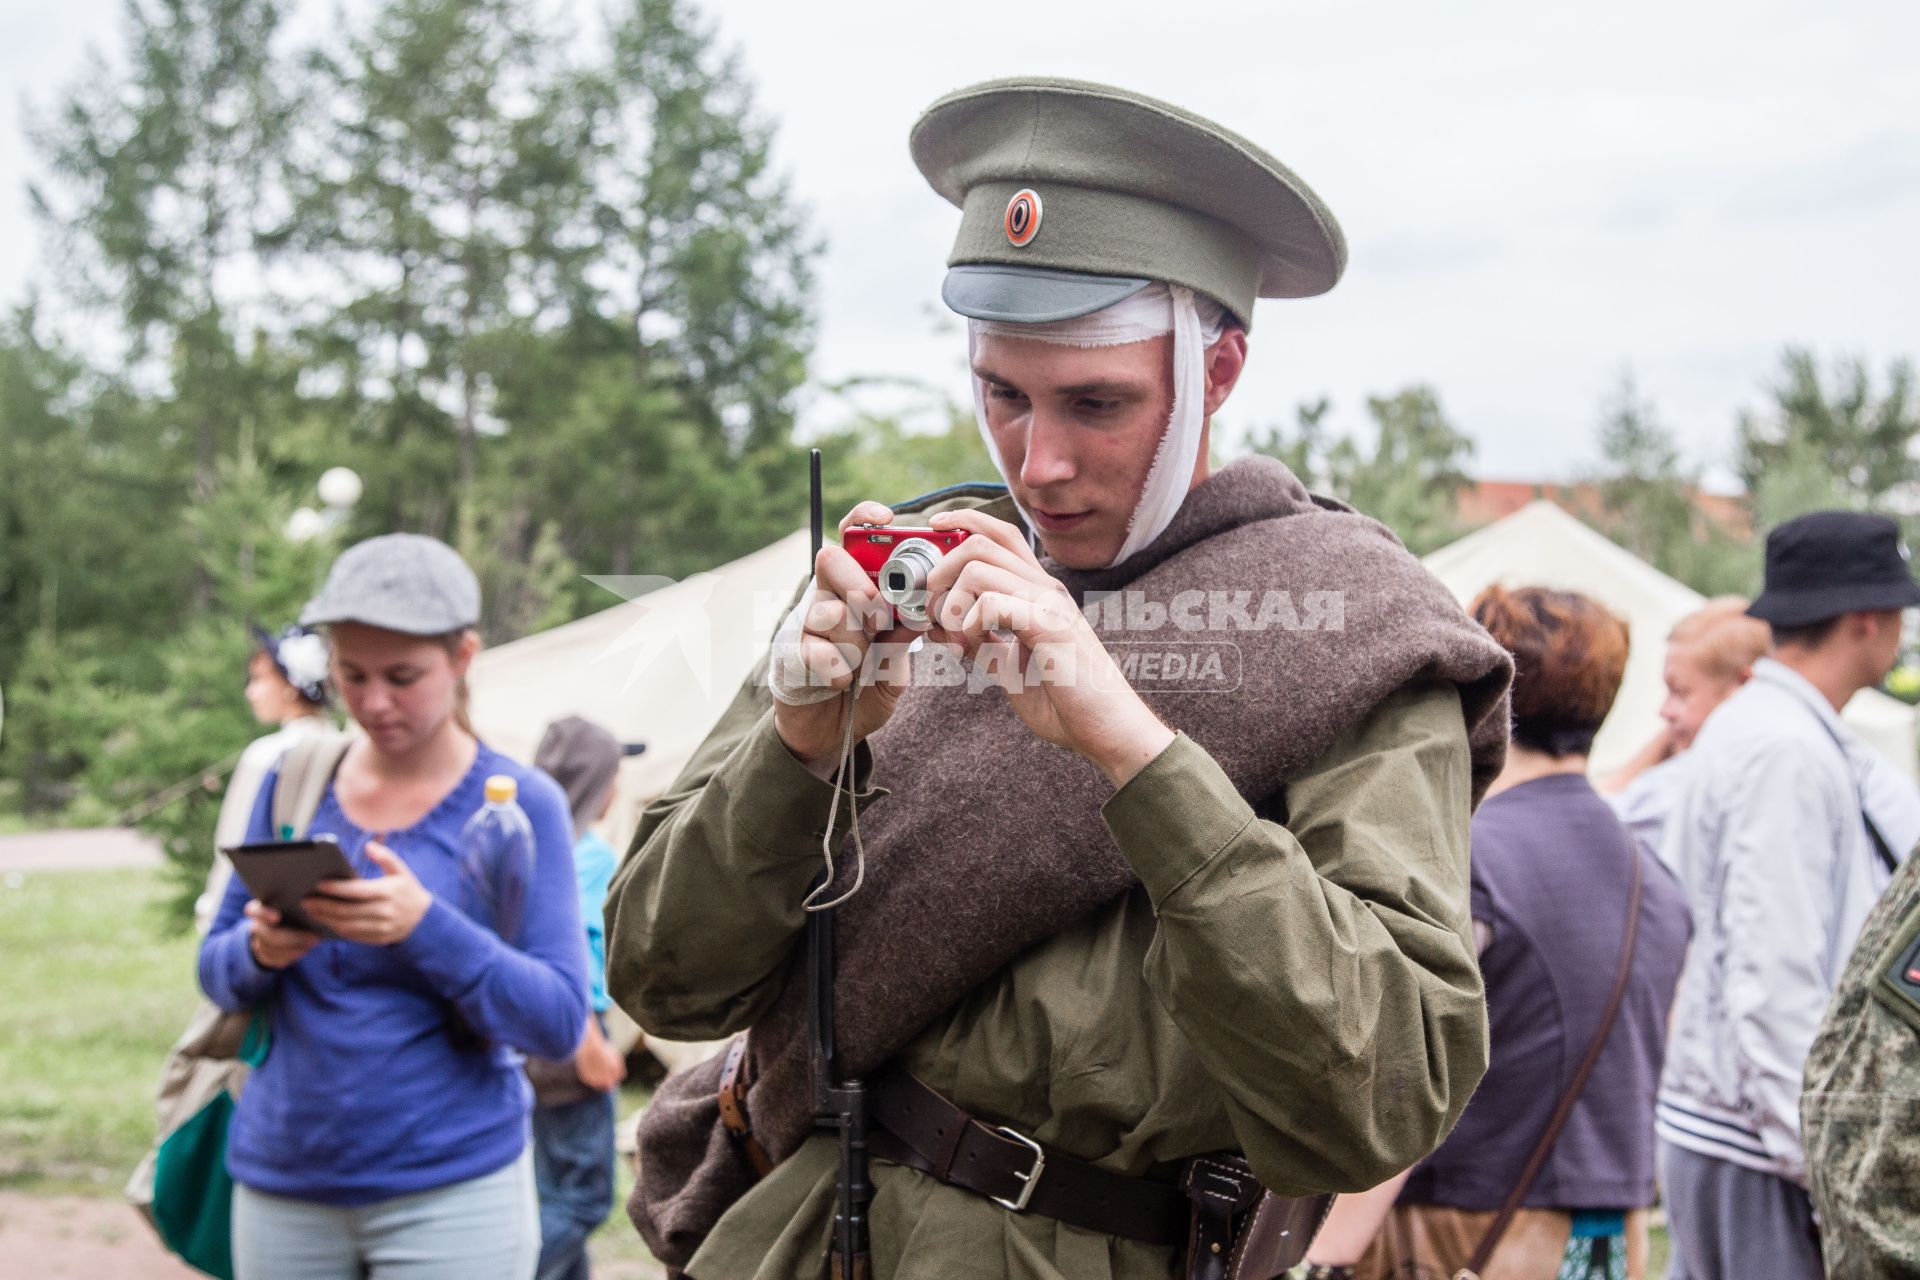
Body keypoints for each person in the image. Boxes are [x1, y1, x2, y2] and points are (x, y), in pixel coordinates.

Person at [606, 77, 1515, 1280]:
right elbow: (663, 977)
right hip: (804, 1234)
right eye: (1002, 393)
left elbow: (1378, 1098)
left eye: (1097, 403)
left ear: (1220, 367)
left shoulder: (1358, 629)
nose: (1039, 462)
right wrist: (799, 751)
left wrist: (1138, 754)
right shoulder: (908, 578)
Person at [197, 533, 589, 1280]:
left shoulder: (519, 804)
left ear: (464, 656)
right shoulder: (294, 782)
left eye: (403, 676)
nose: (375, 702)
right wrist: (256, 953)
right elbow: (214, 970)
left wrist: (425, 928)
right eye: (353, 675)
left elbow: (559, 1020)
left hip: (453, 1191)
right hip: (282, 1183)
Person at [1319, 587, 1690, 1280]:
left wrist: (1322, 1252)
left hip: (1460, 1231)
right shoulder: (1656, 879)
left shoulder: (1464, 859)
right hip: (1612, 1232)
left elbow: (1405, 1072)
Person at [1655, 511, 1920, 1280]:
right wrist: (1824, 1160)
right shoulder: (1784, 749)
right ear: (1869, 621)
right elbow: (1774, 977)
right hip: (1761, 1143)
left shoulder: (1764, 727)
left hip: (1730, 1128)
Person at [527, 716, 629, 1280]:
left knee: (548, 1188)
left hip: (526, 1035)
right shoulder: (586, 854)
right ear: (595, 783)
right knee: (584, 1198)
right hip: (571, 1037)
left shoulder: (523, 840)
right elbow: (569, 949)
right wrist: (590, 1040)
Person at [195, 623, 337, 933]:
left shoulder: (266, 755)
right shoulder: (346, 746)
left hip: (263, 922)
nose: (251, 692)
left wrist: (214, 918)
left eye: (260, 680)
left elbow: (234, 846)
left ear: (291, 685)